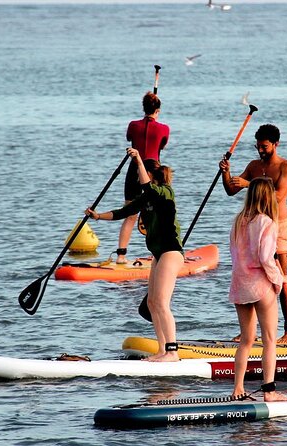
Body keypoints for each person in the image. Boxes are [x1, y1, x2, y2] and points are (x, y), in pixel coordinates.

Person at [86, 147, 183, 362]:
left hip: (171, 252)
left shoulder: (165, 192)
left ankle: (173, 352)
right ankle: (161, 350)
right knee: (152, 303)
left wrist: (138, 158)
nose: (138, 181)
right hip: (158, 254)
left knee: (162, 302)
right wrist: (97, 216)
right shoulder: (145, 199)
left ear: (148, 175)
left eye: (141, 175)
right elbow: (122, 213)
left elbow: (148, 186)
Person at [219, 124, 287, 343]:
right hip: (253, 225)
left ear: (275, 144)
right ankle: (249, 331)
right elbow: (230, 190)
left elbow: (277, 197)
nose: (260, 151)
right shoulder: (253, 165)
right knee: (251, 273)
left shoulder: (286, 167)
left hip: (278, 224)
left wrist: (248, 183)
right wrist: (226, 172)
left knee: (281, 278)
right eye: (258, 146)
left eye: (264, 147)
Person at [229, 177, 287, 402]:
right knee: (270, 340)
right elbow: (265, 258)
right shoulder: (266, 222)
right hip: (260, 285)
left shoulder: (237, 221)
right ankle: (269, 392)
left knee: (246, 340)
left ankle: (238, 389)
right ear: (267, 196)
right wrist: (279, 279)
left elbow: (236, 255)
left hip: (239, 284)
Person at [116, 92, 170, 265]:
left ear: (144, 108)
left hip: (134, 171)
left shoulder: (133, 125)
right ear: (158, 110)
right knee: (158, 213)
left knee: (130, 213)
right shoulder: (164, 128)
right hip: (153, 172)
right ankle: (159, 253)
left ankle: (121, 256)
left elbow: (130, 138)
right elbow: (162, 144)